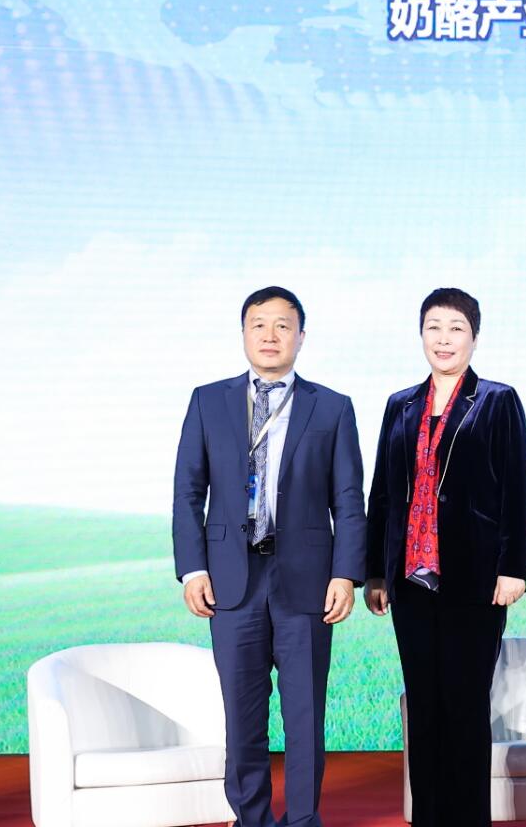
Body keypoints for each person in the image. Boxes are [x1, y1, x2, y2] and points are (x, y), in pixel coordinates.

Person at [172, 286, 365, 827]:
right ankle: (250, 818)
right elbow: (188, 491)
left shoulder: (332, 406)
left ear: (301, 336)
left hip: (306, 580)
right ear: (243, 334)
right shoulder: (208, 401)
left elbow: (349, 499)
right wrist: (193, 568)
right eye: (259, 324)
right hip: (231, 579)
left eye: (283, 325)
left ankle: (302, 819)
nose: (270, 335)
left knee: (305, 715)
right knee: (242, 714)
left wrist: (345, 574)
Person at [362, 288, 526, 827]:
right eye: (433, 327)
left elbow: (517, 487)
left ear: (474, 338)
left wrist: (514, 567)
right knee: (425, 709)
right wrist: (375, 571)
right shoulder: (400, 405)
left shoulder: (497, 400)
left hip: (474, 580)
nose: (443, 338)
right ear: (421, 335)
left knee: (464, 708)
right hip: (410, 581)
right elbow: (382, 493)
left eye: (456, 328)